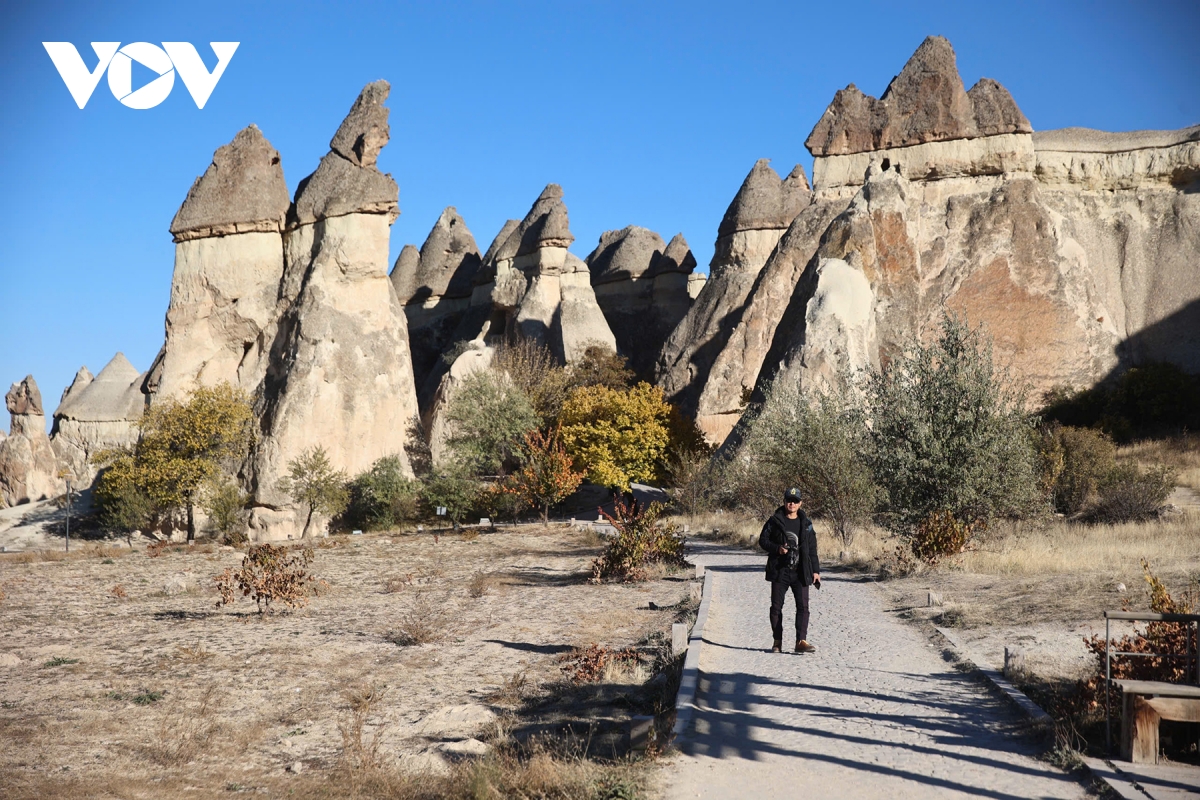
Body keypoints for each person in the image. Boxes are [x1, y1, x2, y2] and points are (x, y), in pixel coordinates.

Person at [758, 487, 820, 653]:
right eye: (788, 500)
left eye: (795, 501)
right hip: (780, 570)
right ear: (784, 501)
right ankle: (777, 641)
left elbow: (812, 549)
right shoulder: (774, 521)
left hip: (801, 571)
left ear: (800, 503)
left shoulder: (806, 524)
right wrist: (777, 548)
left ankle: (801, 641)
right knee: (776, 607)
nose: (791, 503)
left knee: (803, 607)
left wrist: (816, 571)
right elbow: (763, 541)